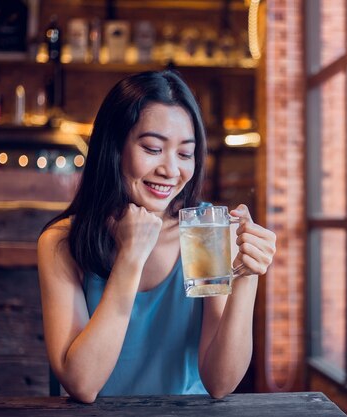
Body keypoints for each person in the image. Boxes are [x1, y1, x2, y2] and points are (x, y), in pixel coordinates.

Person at [37, 70, 276, 403]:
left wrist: (246, 277)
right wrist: (130, 257)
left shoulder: (206, 231)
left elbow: (220, 383)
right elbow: (83, 383)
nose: (170, 170)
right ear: (114, 147)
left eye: (184, 154)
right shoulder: (62, 242)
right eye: (152, 148)